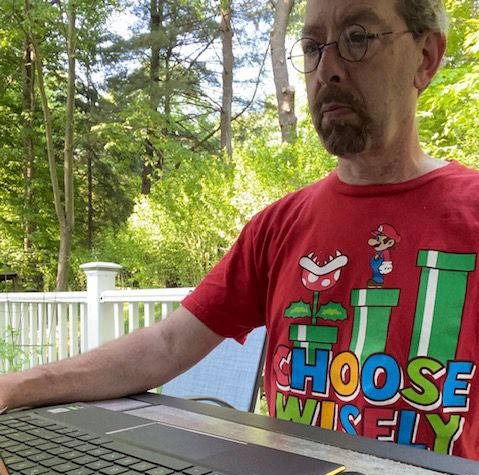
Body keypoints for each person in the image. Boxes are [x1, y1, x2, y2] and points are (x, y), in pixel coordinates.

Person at [1, 0, 479, 462]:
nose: (327, 69)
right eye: (312, 47)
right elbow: (167, 345)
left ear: (425, 57)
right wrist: (15, 387)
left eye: (358, 37)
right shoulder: (279, 226)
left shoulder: (471, 213)